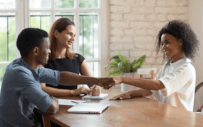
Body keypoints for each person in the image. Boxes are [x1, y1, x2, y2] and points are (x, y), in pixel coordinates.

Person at [0, 28, 114, 127]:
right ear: (35, 51)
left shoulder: (27, 67)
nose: (49, 51)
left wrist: (97, 80)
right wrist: (53, 99)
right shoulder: (20, 74)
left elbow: (60, 76)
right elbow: (51, 107)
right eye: (47, 48)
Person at [110, 20, 199, 112]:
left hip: (180, 121)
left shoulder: (187, 69)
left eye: (167, 42)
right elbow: (151, 89)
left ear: (181, 41)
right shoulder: (167, 66)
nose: (163, 47)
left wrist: (122, 79)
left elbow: (158, 85)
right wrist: (129, 93)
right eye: (162, 44)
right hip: (166, 118)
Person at [40, 17, 100, 97]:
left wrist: (96, 88)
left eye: (74, 35)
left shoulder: (78, 59)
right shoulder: (42, 59)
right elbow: (42, 88)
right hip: (50, 106)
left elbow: (92, 83)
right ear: (56, 34)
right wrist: (73, 92)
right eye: (69, 34)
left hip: (74, 106)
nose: (73, 39)